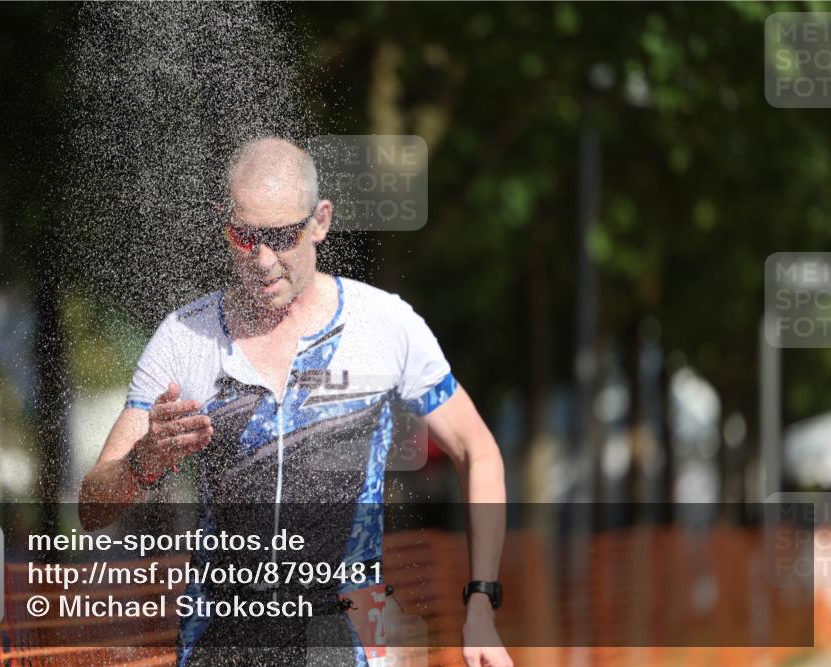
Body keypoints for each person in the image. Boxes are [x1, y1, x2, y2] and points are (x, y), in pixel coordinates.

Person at [80, 137, 513, 667]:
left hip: (352, 636)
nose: (262, 260)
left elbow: (477, 450)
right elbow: (92, 509)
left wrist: (481, 603)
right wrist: (143, 461)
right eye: (244, 237)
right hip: (223, 641)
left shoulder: (385, 324)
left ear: (320, 222)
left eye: (282, 237)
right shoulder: (184, 338)